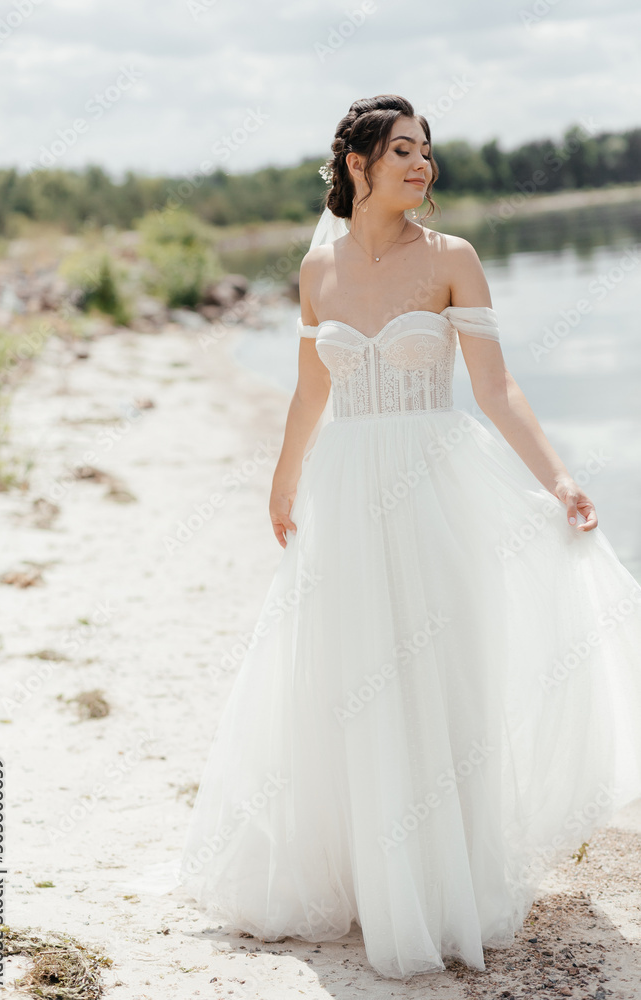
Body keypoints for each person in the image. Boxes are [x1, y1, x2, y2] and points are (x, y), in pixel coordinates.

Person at [178, 94, 641, 979]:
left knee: (442, 675)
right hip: (346, 492)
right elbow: (311, 391)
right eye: (401, 150)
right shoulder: (318, 274)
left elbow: (497, 388)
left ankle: (444, 885)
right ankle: (374, 882)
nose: (421, 164)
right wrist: (282, 482)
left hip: (437, 486)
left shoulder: (452, 259)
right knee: (355, 677)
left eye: (426, 149)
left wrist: (559, 477)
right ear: (357, 165)